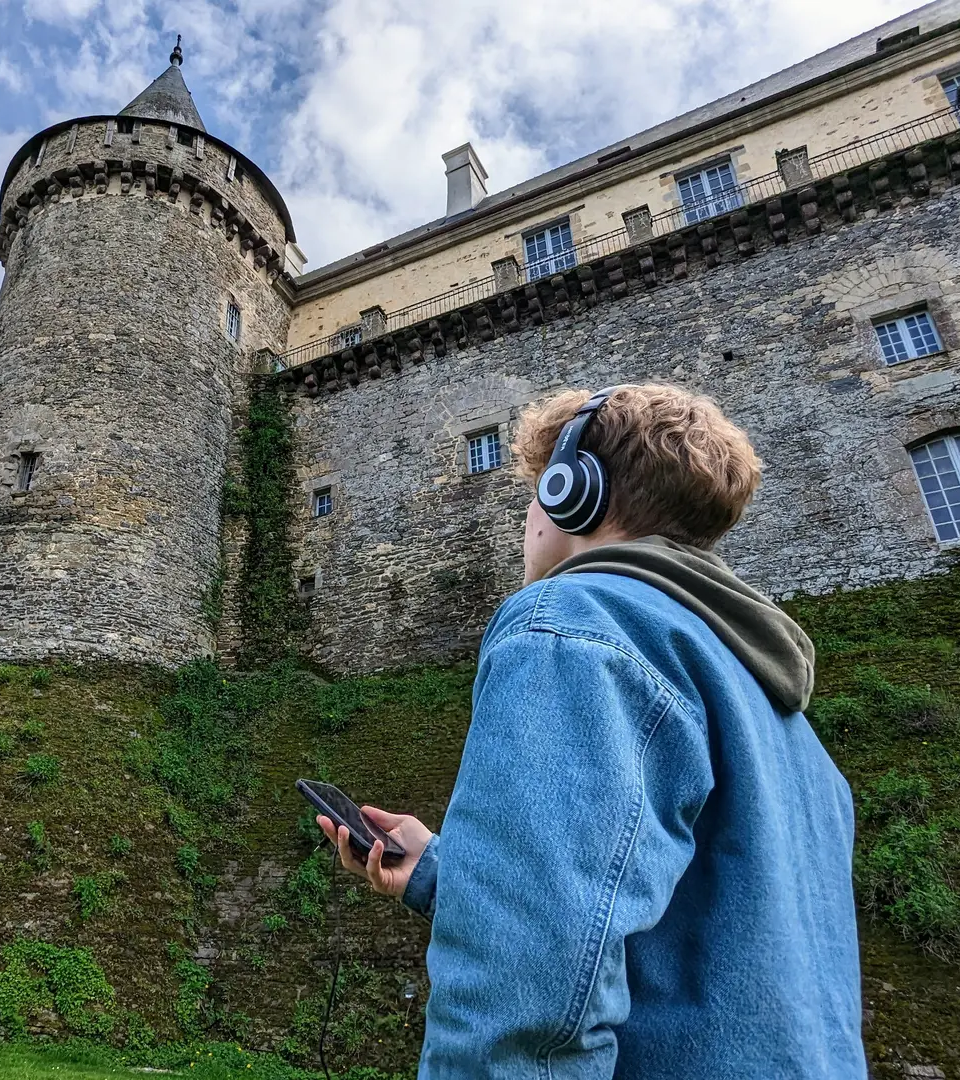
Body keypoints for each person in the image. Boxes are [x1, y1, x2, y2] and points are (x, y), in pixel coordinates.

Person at [317, 384, 865, 1078]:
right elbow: (708, 942)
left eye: (534, 493)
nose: (528, 515)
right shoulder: (780, 713)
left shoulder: (570, 626)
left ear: (572, 492)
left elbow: (528, 998)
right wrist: (439, 874)